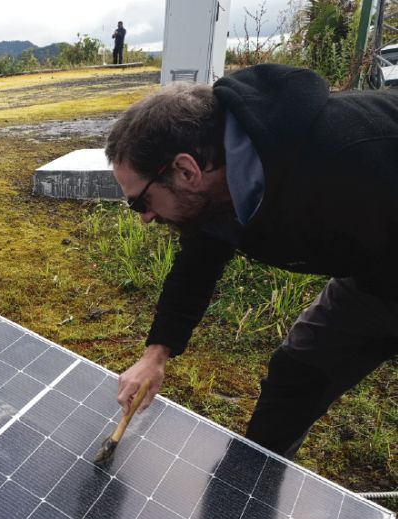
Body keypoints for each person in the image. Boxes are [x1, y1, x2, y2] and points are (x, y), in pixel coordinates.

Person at [106, 64, 398, 459]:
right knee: (297, 374)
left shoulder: (351, 157)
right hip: (370, 275)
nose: (144, 217)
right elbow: (197, 266)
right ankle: (250, 489)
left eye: (141, 202)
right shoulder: (221, 185)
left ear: (186, 169)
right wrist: (155, 355)